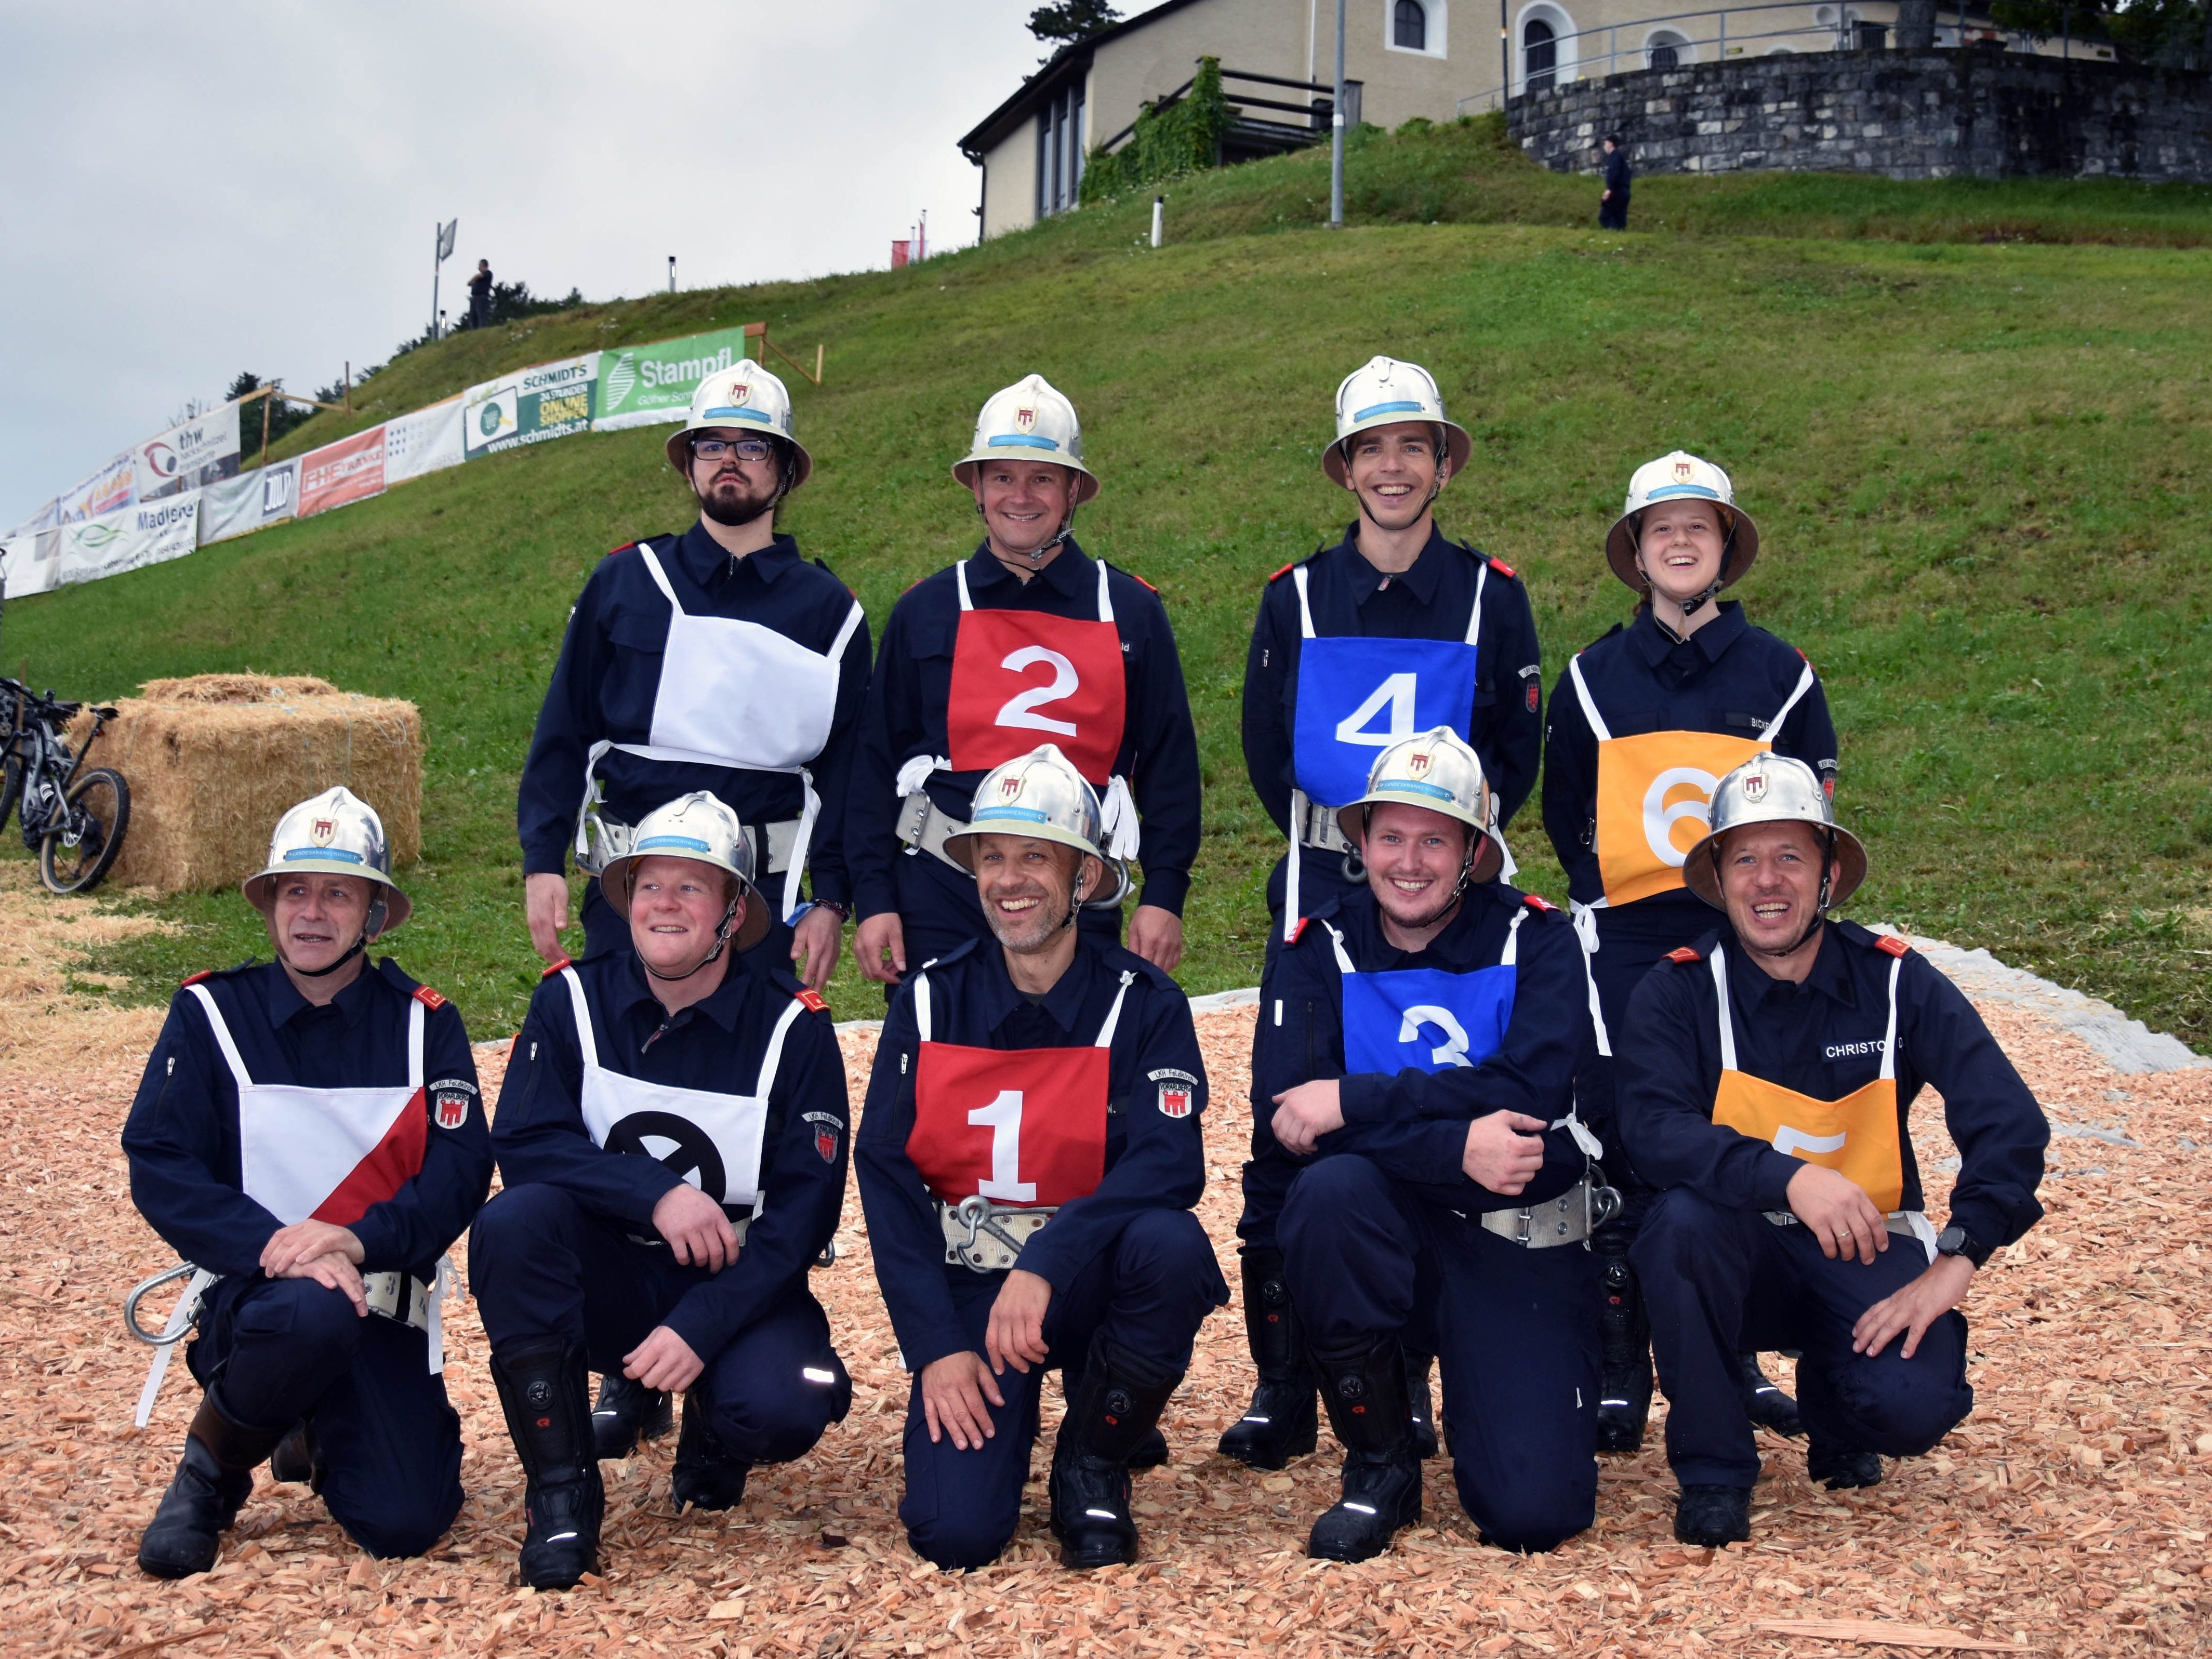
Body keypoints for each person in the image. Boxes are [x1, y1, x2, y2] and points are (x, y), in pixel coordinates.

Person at [1230, 354, 1542, 1467]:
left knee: (1434, 1094)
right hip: (1325, 881)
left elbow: (1515, 751)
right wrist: (1353, 851)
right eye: (1372, 449)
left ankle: (1413, 1356)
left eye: (1414, 446)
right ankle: (1284, 1380)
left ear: (1442, 464)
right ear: (1346, 467)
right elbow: (1265, 749)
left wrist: (1428, 860)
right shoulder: (1296, 596)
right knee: (1284, 1120)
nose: (1393, 467)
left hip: (1444, 890)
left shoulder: (1491, 595)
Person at [1617, 755, 2048, 1546]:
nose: (1767, 880)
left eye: (1790, 855)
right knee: (1679, 1225)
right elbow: (1652, 1129)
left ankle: (1836, 1410)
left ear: (1829, 874)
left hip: (1868, 1249)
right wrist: (1790, 1179)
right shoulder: (1678, 988)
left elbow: (2009, 1121)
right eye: (1744, 858)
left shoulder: (1897, 981)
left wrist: (1957, 1259)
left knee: (1911, 1408)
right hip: (1736, 1256)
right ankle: (1714, 1468)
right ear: (1718, 878)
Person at [855, 744, 1225, 1571]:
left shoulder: (1144, 1003)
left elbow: (1170, 1164)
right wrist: (935, 1346)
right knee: (956, 1535)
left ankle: (1092, 1461)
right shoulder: (928, 999)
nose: (1008, 879)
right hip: (969, 1288)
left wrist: (1046, 1260)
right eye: (991, 857)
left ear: (1084, 877)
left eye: (1035, 857)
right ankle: (1020, 1419)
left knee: (1170, 1248)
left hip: (1084, 1277)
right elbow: (885, 1174)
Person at [470, 791, 853, 1590]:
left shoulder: (794, 1030)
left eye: (691, 886)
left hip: (738, 1285)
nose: (665, 904)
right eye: (649, 885)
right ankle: (562, 1493)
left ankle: (716, 1425)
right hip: (608, 1278)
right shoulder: (571, 1000)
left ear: (733, 911)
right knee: (514, 1222)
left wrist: (702, 1326)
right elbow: (525, 1141)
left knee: (786, 1403)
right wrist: (654, 1193)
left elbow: (802, 1216)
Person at [1541, 449, 1838, 1454]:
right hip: (1625, 946)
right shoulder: (1589, 677)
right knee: (1622, 1136)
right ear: (1635, 552)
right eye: (1659, 528)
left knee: (1734, 1133)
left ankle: (1731, 1355)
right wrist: (1613, 901)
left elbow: (1809, 814)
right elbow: (1567, 814)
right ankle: (1622, 1360)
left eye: (1697, 527)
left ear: (1725, 546)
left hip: (1740, 946)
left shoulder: (1782, 675)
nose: (1678, 542)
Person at [122, 788, 492, 1577]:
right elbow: (159, 1160)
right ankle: (209, 1479)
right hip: (259, 1304)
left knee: (406, 1522)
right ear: (270, 905)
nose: (312, 913)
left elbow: (459, 1175)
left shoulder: (427, 1024)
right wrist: (276, 1248)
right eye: (295, 890)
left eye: (337, 894)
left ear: (374, 915)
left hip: (380, 1304)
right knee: (309, 1313)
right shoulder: (210, 1013)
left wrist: (356, 1240)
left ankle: (302, 1421)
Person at [1261, 730, 1604, 1561]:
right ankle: (1380, 1461)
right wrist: (1454, 1148)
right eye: (1390, 837)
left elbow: (1530, 1095)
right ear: (1362, 842)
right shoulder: (1314, 947)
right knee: (1329, 1196)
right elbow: (1294, 1123)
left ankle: (1479, 1385)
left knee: (1532, 1515)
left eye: (1434, 841)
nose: (1408, 863)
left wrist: (1354, 1099)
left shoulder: (1539, 939)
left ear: (1473, 852)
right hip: (1388, 1231)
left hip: (1514, 1238)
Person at [518, 361, 868, 994]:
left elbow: (844, 772)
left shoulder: (830, 612)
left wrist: (832, 898)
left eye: (752, 446)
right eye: (711, 445)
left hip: (760, 903)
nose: (729, 460)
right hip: (631, 889)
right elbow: (566, 730)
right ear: (689, 465)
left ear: (786, 470)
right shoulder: (626, 581)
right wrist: (542, 860)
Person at [846, 374, 1200, 987]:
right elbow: (876, 764)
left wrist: (1164, 892)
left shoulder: (1130, 611)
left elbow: (1170, 766)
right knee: (938, 1049)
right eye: (1002, 477)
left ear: (1072, 490)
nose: (1021, 496)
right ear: (977, 489)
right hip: (939, 896)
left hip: (1075, 893)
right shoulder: (926, 609)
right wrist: (874, 898)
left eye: (1042, 478)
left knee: (1071, 1048)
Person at [1598, 136, 1631, 231]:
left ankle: (1613, 232)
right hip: (1625, 191)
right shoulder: (1621, 158)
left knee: (1605, 217)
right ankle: (1620, 234)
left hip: (1617, 191)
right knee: (1620, 219)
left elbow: (1614, 173)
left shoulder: (1615, 157)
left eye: (1605, 143)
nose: (1604, 146)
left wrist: (1610, 189)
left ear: (1611, 144)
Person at [467, 260, 493, 329]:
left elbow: (479, 276)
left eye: (480, 265)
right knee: (472, 316)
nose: (479, 267)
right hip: (474, 297)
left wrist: (473, 279)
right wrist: (473, 281)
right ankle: (474, 331)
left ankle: (482, 330)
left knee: (481, 315)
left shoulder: (488, 273)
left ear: (484, 265)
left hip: (482, 297)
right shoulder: (478, 278)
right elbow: (469, 284)